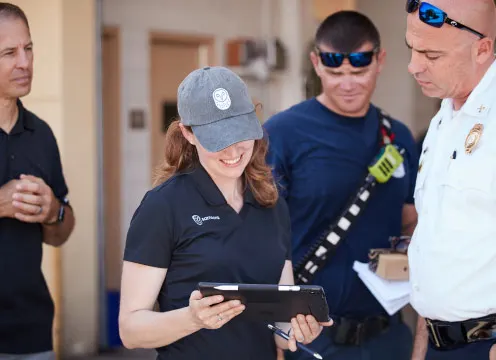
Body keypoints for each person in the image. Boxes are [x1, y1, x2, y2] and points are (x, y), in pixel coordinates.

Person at [118, 66, 331, 360]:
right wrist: (192, 319)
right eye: (217, 139)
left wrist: (296, 328)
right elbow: (130, 330)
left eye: (239, 134)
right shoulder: (162, 207)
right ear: (188, 133)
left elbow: (279, 321)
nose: (232, 151)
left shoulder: (272, 203)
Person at [264, 11, 418, 360]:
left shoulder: (399, 138)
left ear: (380, 61)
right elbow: (261, 236)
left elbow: (411, 219)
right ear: (316, 63)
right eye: (335, 73)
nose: (347, 84)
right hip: (311, 340)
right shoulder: (283, 134)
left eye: (359, 71)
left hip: (388, 337)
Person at [405, 0, 496, 359]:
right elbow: (435, 249)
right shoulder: (445, 116)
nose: (413, 66)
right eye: (412, 48)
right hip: (438, 342)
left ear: (482, 49)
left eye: (432, 54)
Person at [0, 3, 75, 359]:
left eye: (28, 49)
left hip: (32, 332)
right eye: (9, 52)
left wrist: (53, 211)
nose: (25, 62)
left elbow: (61, 232)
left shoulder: (41, 135)